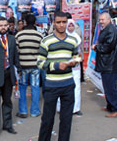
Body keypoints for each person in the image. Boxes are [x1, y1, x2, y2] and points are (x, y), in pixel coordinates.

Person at [37, 11, 79, 141]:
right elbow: (39, 62)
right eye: (59, 22)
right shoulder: (46, 41)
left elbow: (76, 57)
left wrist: (74, 62)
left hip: (68, 84)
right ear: (54, 23)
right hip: (51, 85)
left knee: (66, 120)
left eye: (64, 22)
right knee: (47, 120)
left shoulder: (73, 40)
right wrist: (55, 66)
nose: (61, 25)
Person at [92, 12, 117, 117]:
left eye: (103, 19)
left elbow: (107, 47)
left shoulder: (111, 30)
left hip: (110, 64)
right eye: (100, 19)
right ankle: (110, 106)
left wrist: (96, 47)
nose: (101, 21)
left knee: (110, 87)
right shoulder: (107, 29)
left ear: (108, 20)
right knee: (107, 86)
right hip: (107, 63)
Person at [15, 14, 43, 118]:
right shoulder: (39, 35)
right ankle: (35, 111)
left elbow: (16, 51)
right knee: (35, 87)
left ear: (25, 22)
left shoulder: (19, 35)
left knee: (22, 87)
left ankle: (23, 111)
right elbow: (42, 51)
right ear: (35, 22)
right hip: (35, 66)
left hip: (23, 66)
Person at [56, 19, 83, 115]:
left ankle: (75, 108)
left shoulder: (77, 38)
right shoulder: (62, 37)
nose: (71, 28)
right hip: (64, 65)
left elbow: (79, 53)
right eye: (69, 26)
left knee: (76, 88)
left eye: (72, 26)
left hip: (75, 67)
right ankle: (61, 108)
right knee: (62, 86)